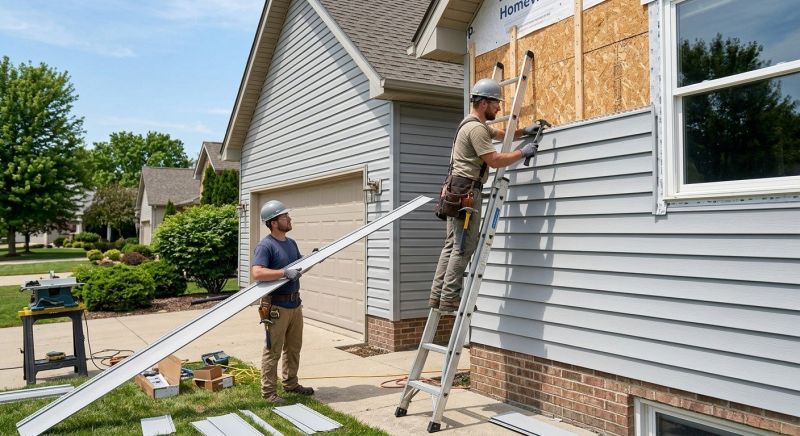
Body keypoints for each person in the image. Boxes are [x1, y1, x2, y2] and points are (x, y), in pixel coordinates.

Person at [429, 78, 543, 312]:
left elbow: (498, 134)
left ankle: (438, 295)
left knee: (451, 245)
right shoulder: (475, 129)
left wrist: (523, 131)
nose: (499, 108)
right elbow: (494, 159)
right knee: (464, 246)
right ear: (483, 103)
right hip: (466, 194)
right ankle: (450, 297)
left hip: (455, 190)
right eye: (495, 104)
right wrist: (523, 151)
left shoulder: (470, 123)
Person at [252, 199, 314, 405]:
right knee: (273, 350)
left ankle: (291, 383)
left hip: (295, 304)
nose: (289, 218)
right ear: (273, 222)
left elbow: (297, 269)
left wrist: (313, 260)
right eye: (284, 216)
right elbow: (257, 272)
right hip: (276, 306)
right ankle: (269, 393)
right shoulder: (266, 245)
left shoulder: (291, 243)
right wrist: (283, 273)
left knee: (294, 348)